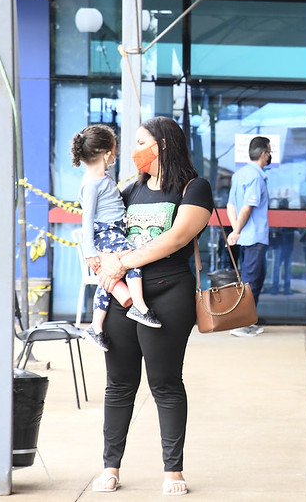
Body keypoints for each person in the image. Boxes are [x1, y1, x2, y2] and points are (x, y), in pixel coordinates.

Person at [92, 116, 213, 496]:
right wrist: (104, 261)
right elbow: (106, 231)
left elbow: (176, 238)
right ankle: (110, 467)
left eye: (141, 141)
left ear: (160, 144)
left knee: (165, 383)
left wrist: (123, 262)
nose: (135, 149)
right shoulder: (130, 191)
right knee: (119, 384)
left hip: (170, 292)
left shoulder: (195, 188)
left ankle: (173, 470)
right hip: (124, 295)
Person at [71, 124, 163, 352]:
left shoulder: (103, 178)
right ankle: (140, 306)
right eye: (115, 148)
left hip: (114, 231)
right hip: (107, 233)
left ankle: (96, 326)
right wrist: (90, 252)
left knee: (108, 283)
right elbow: (87, 219)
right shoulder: (91, 184)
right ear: (106, 152)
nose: (118, 152)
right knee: (134, 258)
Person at [226, 136, 271, 337]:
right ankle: (240, 324)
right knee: (251, 279)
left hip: (248, 236)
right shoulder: (255, 177)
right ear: (263, 154)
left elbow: (231, 206)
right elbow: (247, 208)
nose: (270, 155)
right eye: (269, 152)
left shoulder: (239, 174)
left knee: (255, 277)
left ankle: (248, 321)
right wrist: (236, 231)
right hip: (254, 236)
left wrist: (236, 230)